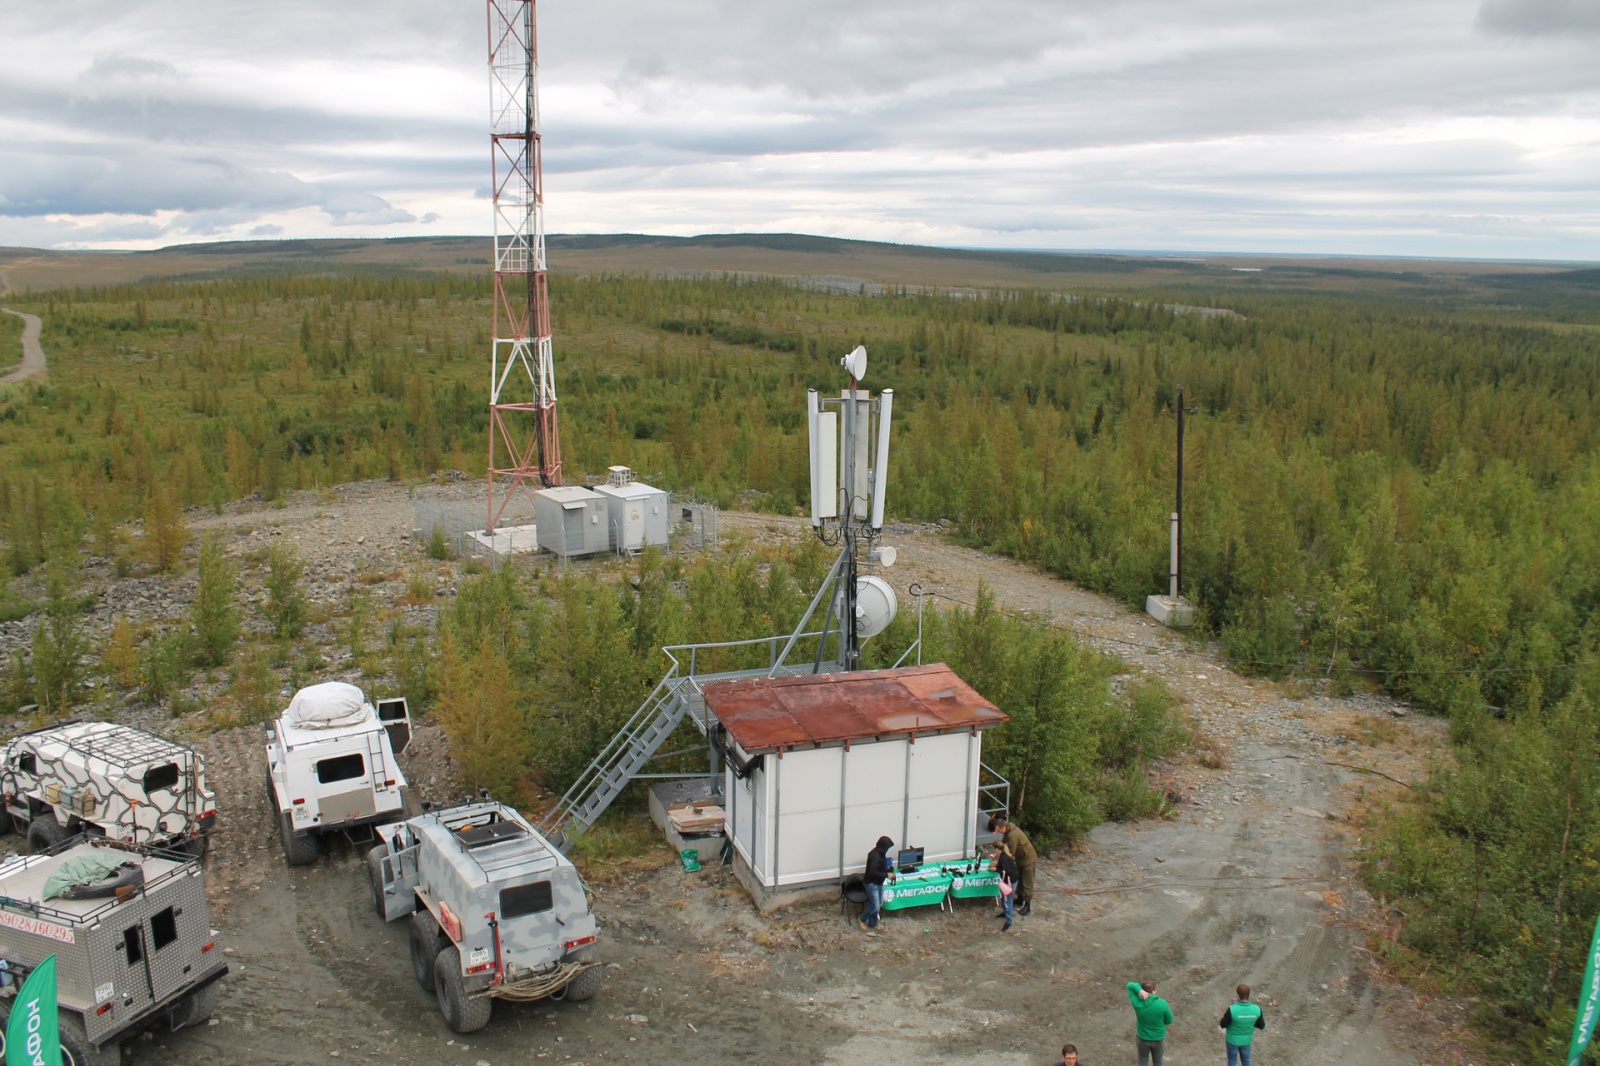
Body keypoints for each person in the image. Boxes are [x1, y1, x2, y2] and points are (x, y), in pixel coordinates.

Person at [989, 812, 1037, 915]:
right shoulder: (1007, 832)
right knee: (1019, 879)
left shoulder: (1012, 835)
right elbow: (1003, 846)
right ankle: (1019, 899)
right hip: (1020, 859)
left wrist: (998, 863)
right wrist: (995, 855)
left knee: (1027, 881)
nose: (998, 832)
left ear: (1003, 828)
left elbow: (1009, 853)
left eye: (998, 830)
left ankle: (1027, 905)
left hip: (1028, 859)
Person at [1126, 980, 1174, 1066]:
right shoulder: (1162, 1004)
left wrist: (1139, 990)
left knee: (1143, 1061)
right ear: (1154, 991)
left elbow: (1130, 986)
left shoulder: (1137, 1004)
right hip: (1158, 1039)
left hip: (1142, 1039)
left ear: (1143, 990)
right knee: (1158, 1061)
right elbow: (1169, 1021)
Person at [1219, 983, 1265, 1066]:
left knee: (1232, 1061)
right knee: (1246, 1061)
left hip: (1232, 1041)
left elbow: (1223, 1024)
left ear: (1238, 996)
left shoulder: (1232, 1009)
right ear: (1249, 995)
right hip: (1246, 1041)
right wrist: (1249, 1021)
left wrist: (1234, 1007)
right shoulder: (1257, 1009)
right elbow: (1261, 1026)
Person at [859, 835, 893, 933]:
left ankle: (873, 923)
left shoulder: (880, 853)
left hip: (878, 882)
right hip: (871, 883)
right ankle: (862, 918)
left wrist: (887, 870)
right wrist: (886, 874)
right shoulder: (875, 856)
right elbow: (873, 872)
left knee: (879, 903)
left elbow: (881, 867)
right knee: (875, 905)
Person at [991, 841, 1019, 932]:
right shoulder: (1005, 855)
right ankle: (1005, 912)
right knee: (1003, 899)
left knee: (1008, 901)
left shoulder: (1003, 858)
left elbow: (1004, 871)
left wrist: (995, 869)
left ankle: (1009, 921)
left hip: (1009, 882)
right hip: (1011, 880)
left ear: (997, 849)